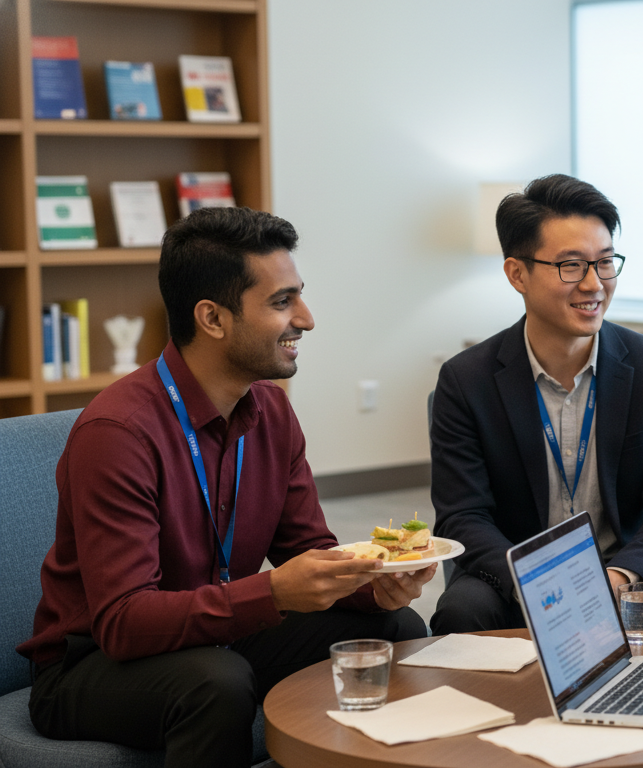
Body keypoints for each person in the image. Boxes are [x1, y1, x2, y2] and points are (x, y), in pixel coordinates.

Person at [20, 207, 435, 768]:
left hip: (215, 636)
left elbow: (307, 550)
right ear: (213, 319)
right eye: (282, 302)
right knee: (215, 682)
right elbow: (122, 622)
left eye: (299, 297)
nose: (307, 320)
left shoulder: (271, 412)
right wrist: (272, 593)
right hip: (91, 664)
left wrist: (376, 580)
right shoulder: (117, 433)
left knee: (396, 627)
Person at [428, 174, 643, 635]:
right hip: (517, 573)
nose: (594, 284)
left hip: (626, 567)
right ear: (517, 273)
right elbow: (463, 515)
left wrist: (617, 578)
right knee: (462, 614)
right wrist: (536, 583)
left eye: (605, 262)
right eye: (571, 266)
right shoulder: (466, 380)